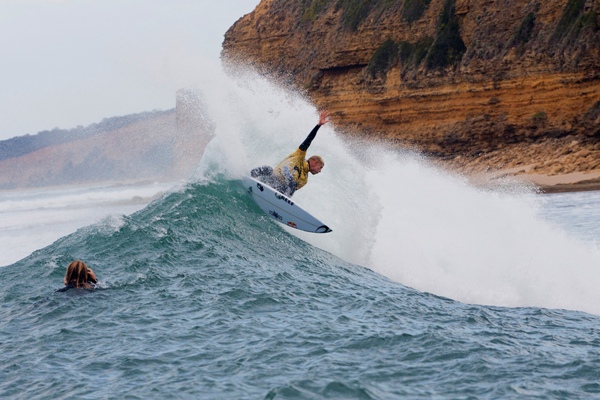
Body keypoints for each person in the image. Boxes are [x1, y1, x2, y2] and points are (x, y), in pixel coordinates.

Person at [251, 110, 330, 196]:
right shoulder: (299, 156)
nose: (320, 171)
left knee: (292, 185)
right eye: (320, 167)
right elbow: (308, 140)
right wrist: (318, 126)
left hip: (278, 191)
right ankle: (248, 176)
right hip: (269, 180)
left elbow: (290, 192)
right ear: (315, 162)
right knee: (268, 169)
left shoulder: (304, 180)